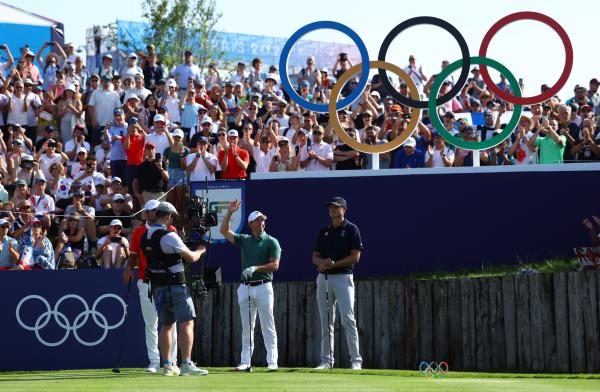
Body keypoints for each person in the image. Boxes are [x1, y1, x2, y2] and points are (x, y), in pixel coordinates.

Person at [141, 201, 208, 376]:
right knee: (186, 322)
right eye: (172, 217)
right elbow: (191, 258)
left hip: (158, 286)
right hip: (176, 285)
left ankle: (167, 367)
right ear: (168, 216)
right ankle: (186, 364)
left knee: (166, 325)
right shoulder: (169, 235)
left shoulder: (145, 235)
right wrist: (201, 250)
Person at [220, 200, 281, 371]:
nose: (261, 223)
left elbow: (275, 266)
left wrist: (255, 268)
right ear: (250, 224)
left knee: (268, 326)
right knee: (247, 328)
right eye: (258, 220)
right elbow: (224, 231)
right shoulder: (244, 240)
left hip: (263, 286)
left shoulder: (271, 241)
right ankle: (245, 362)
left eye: (263, 220)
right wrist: (230, 212)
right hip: (245, 287)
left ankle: (272, 362)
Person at [123, 200, 178, 373]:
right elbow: (133, 256)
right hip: (146, 282)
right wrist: (128, 269)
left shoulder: (170, 230)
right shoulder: (139, 232)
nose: (154, 213)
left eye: (156, 210)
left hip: (167, 282)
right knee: (151, 324)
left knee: (170, 323)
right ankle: (154, 361)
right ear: (146, 214)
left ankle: (172, 361)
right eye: (151, 211)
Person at [313, 197, 363, 370]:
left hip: (343, 278)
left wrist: (334, 264)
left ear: (344, 210)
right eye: (331, 208)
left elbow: (355, 256)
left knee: (348, 319)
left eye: (336, 207)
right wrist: (320, 263)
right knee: (326, 321)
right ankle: (326, 361)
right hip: (324, 279)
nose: (333, 210)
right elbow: (314, 256)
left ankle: (356, 360)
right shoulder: (323, 231)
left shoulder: (351, 229)